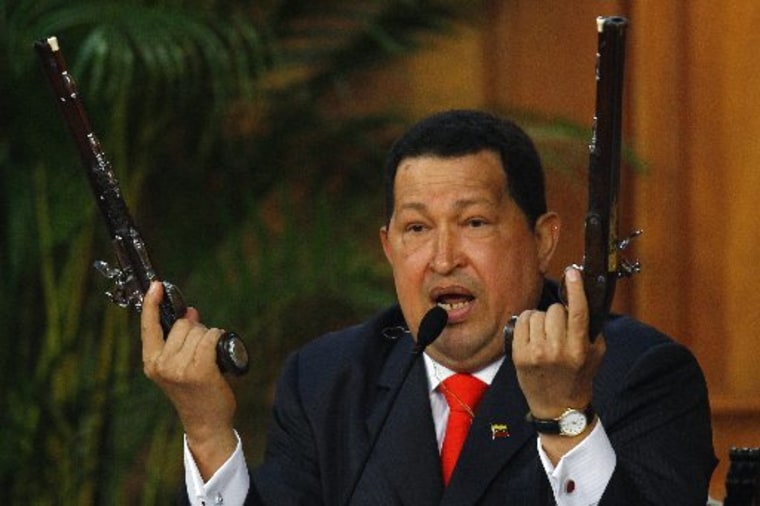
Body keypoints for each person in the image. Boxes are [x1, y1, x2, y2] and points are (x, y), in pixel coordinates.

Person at [141, 109, 717, 505]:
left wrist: (566, 420)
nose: (443, 259)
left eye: (474, 222)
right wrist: (209, 434)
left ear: (543, 240)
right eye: (416, 228)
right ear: (389, 248)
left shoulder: (638, 373)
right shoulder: (327, 380)